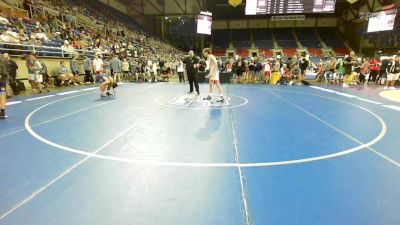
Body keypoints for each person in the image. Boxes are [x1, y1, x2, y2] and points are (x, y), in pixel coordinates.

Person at [0, 54, 9, 119]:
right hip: (2, 80)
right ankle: (2, 112)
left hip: (2, 80)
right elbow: (7, 70)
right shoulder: (4, 60)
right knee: (2, 96)